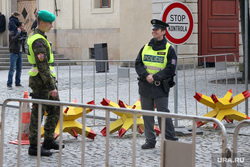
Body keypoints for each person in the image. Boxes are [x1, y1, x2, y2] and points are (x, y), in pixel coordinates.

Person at [135, 19, 178, 149]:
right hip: (145, 86)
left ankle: (170, 139)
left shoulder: (169, 48)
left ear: (163, 32)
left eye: (156, 30)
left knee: (163, 114)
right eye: (153, 29)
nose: (153, 31)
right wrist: (146, 75)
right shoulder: (146, 47)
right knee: (147, 115)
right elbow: (138, 63)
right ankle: (150, 140)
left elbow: (171, 68)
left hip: (160, 86)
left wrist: (155, 77)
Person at [27, 10, 64, 156]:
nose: (52, 26)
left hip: (45, 80)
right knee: (38, 113)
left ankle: (48, 140)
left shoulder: (40, 37)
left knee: (55, 109)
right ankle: (34, 146)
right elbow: (42, 66)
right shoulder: (38, 41)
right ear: (41, 22)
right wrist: (51, 86)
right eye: (50, 23)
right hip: (41, 82)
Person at [7, 21, 27, 90]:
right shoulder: (12, 32)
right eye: (22, 26)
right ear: (19, 27)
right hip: (14, 52)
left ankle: (17, 82)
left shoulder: (20, 32)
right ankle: (9, 84)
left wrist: (24, 32)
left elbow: (24, 40)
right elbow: (14, 40)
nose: (23, 27)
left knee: (19, 69)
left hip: (20, 52)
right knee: (12, 68)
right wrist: (18, 33)